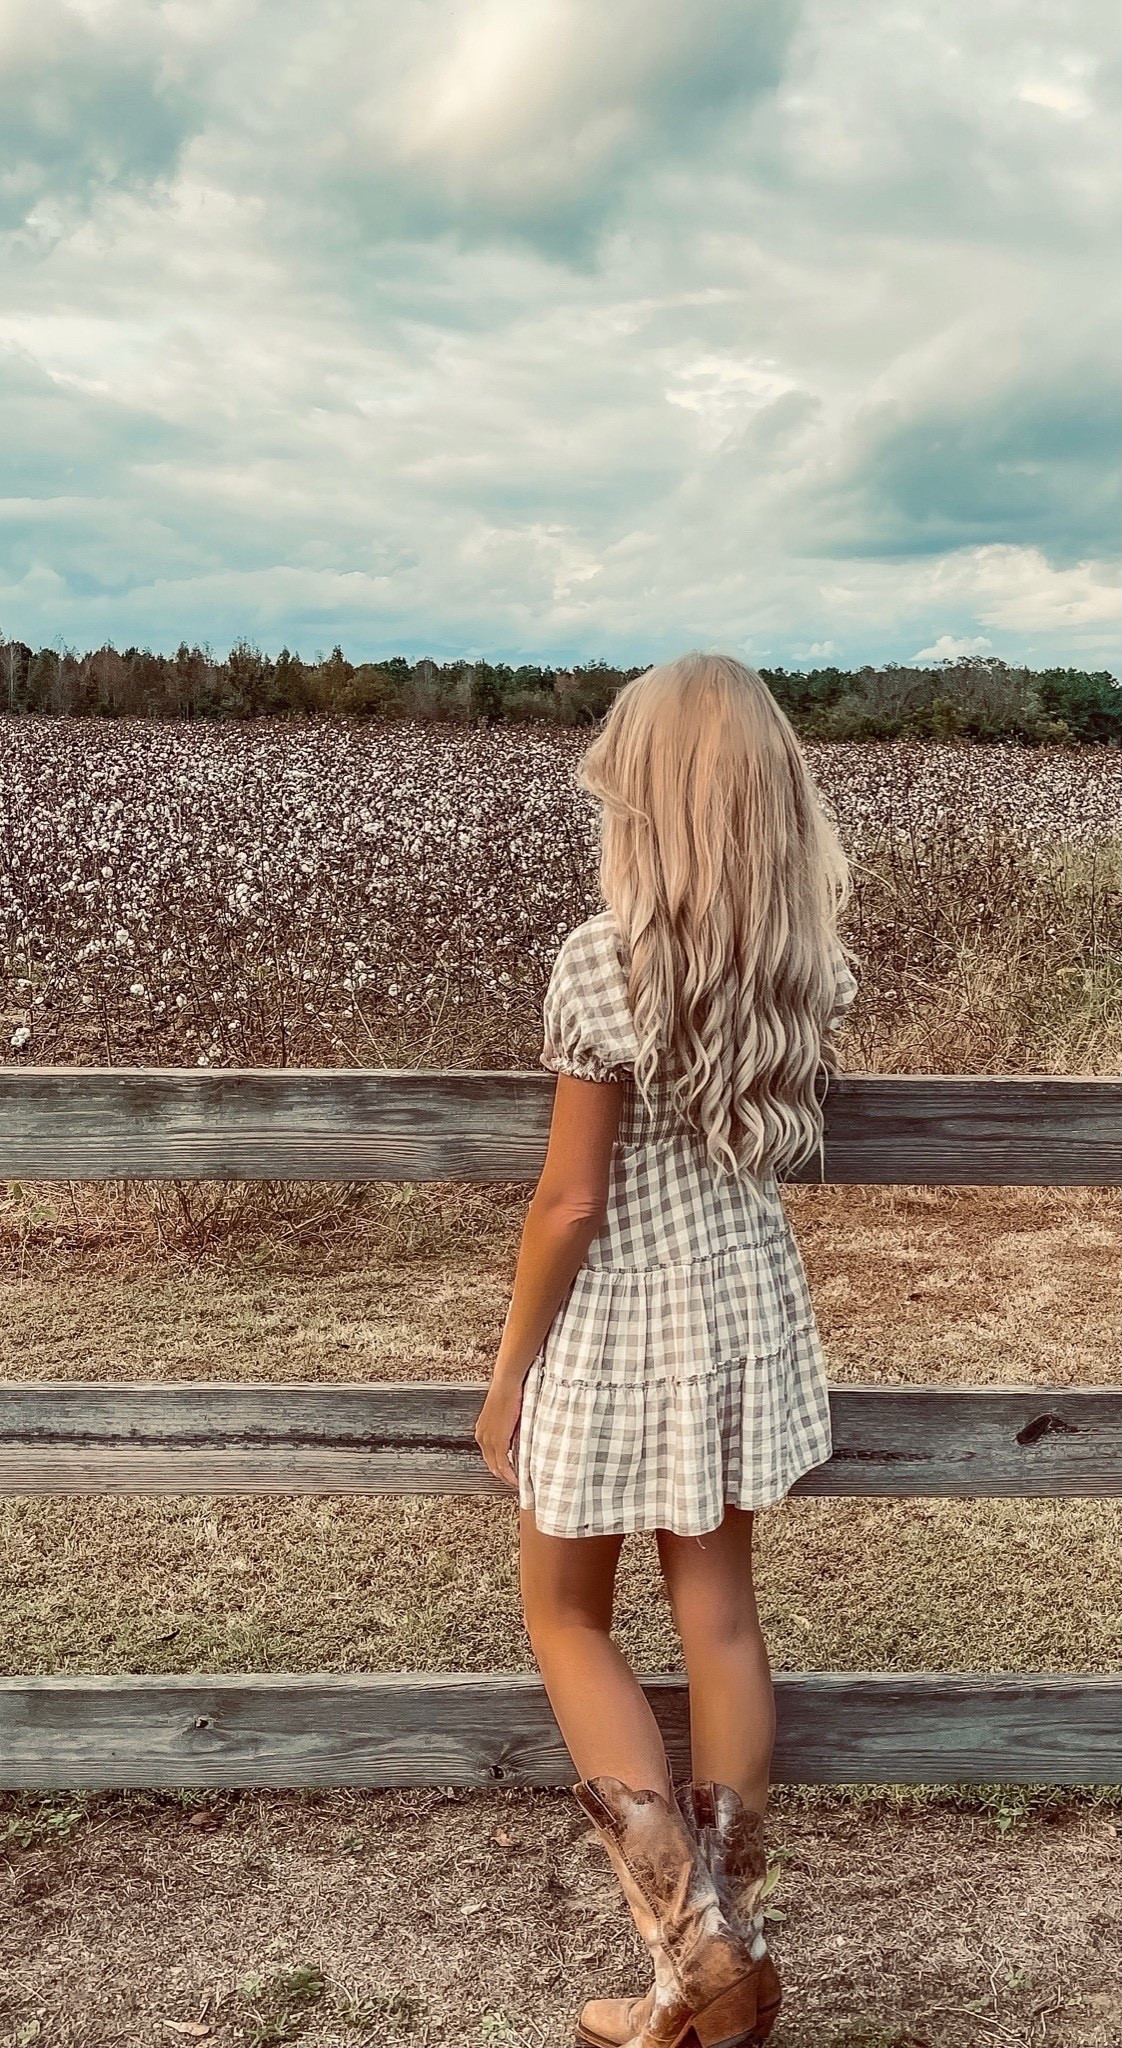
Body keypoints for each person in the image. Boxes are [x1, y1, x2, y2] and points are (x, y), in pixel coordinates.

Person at [474, 651, 858, 2048]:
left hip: (624, 1314)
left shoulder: (600, 957)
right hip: (745, 1306)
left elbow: (571, 1198)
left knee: (564, 1612)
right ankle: (711, 1971)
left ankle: (688, 1947)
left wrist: (509, 1365)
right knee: (721, 1610)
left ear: (644, 795)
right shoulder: (805, 958)